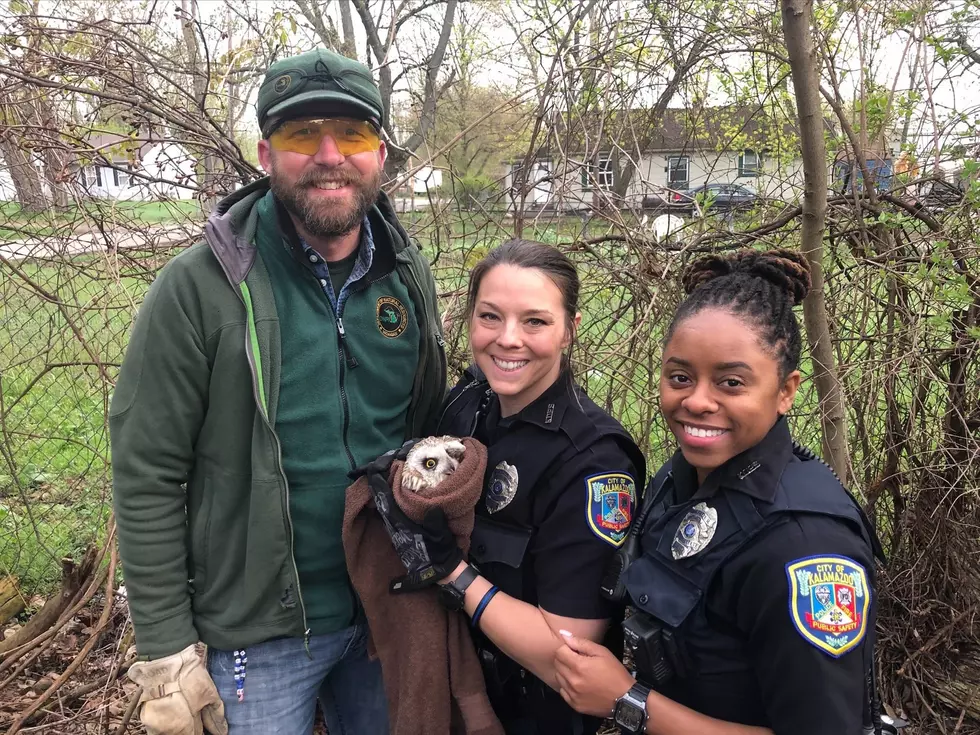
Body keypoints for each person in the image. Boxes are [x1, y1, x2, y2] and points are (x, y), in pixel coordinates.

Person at [110, 48, 446, 735]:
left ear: (380, 152)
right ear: (266, 152)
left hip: (389, 609)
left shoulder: (405, 275)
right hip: (257, 635)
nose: (330, 155)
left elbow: (423, 424)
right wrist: (168, 648)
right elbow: (146, 468)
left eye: (352, 135)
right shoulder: (201, 286)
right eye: (301, 135)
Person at [552, 249, 885, 735]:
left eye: (731, 382)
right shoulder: (682, 474)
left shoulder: (805, 546)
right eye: (680, 377)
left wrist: (627, 701)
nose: (697, 402)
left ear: (787, 390)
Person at [363, 239, 646, 734]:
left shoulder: (592, 462)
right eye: (490, 317)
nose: (507, 339)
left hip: (526, 715)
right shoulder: (467, 405)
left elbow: (567, 658)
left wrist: (455, 575)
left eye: (535, 321)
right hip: (443, 691)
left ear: (569, 332)